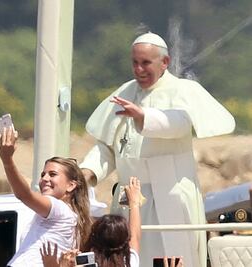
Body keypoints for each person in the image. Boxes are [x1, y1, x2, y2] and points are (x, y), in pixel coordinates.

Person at [79, 32, 235, 267]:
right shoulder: (124, 92)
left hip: (169, 193)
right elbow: (108, 146)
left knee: (173, 259)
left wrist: (144, 117)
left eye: (145, 63)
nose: (139, 69)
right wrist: (87, 172)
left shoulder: (182, 89)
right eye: (135, 62)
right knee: (128, 257)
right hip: (128, 197)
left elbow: (181, 123)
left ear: (165, 62)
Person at [0, 126, 92, 266]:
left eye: (52, 174)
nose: (45, 178)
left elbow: (24, 195)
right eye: (43, 174)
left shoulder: (59, 208)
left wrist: (7, 159)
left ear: (71, 185)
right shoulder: (73, 217)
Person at [41, 177, 141, 267]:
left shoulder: (85, 264)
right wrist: (134, 202)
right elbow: (135, 236)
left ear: (92, 238)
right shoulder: (129, 262)